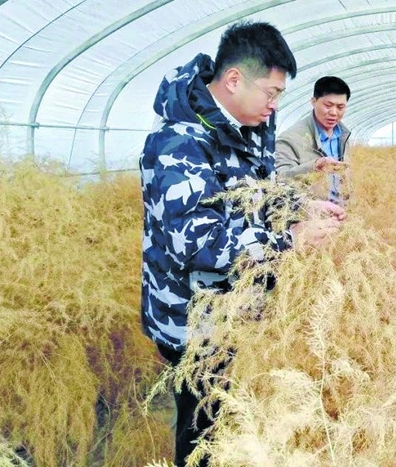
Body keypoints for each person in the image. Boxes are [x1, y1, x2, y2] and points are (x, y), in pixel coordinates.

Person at [139, 21, 344, 467]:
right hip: (196, 323)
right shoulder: (180, 141)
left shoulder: (245, 130)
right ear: (234, 80)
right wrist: (288, 240)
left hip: (237, 310)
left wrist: (301, 209)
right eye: (271, 93)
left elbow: (258, 192)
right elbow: (193, 241)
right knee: (203, 433)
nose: (274, 105)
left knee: (234, 420)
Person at [275, 76, 352, 204]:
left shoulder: (343, 135)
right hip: (311, 217)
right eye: (328, 105)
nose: (333, 112)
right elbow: (279, 180)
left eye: (340, 107)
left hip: (341, 214)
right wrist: (314, 166)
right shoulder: (290, 139)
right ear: (313, 101)